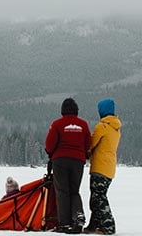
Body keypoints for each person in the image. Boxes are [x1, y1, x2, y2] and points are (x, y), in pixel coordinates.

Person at [45, 97, 92, 234]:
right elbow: (88, 143)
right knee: (74, 190)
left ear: (62, 111)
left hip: (60, 161)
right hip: (78, 161)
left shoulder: (57, 124)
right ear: (76, 110)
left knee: (62, 192)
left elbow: (49, 144)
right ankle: (77, 216)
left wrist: (50, 153)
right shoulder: (83, 125)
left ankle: (65, 223)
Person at [84, 99, 122, 235]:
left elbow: (91, 143)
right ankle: (93, 225)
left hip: (100, 167)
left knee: (99, 197)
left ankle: (108, 226)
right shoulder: (115, 128)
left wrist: (85, 152)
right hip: (109, 168)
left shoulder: (102, 127)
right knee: (97, 197)